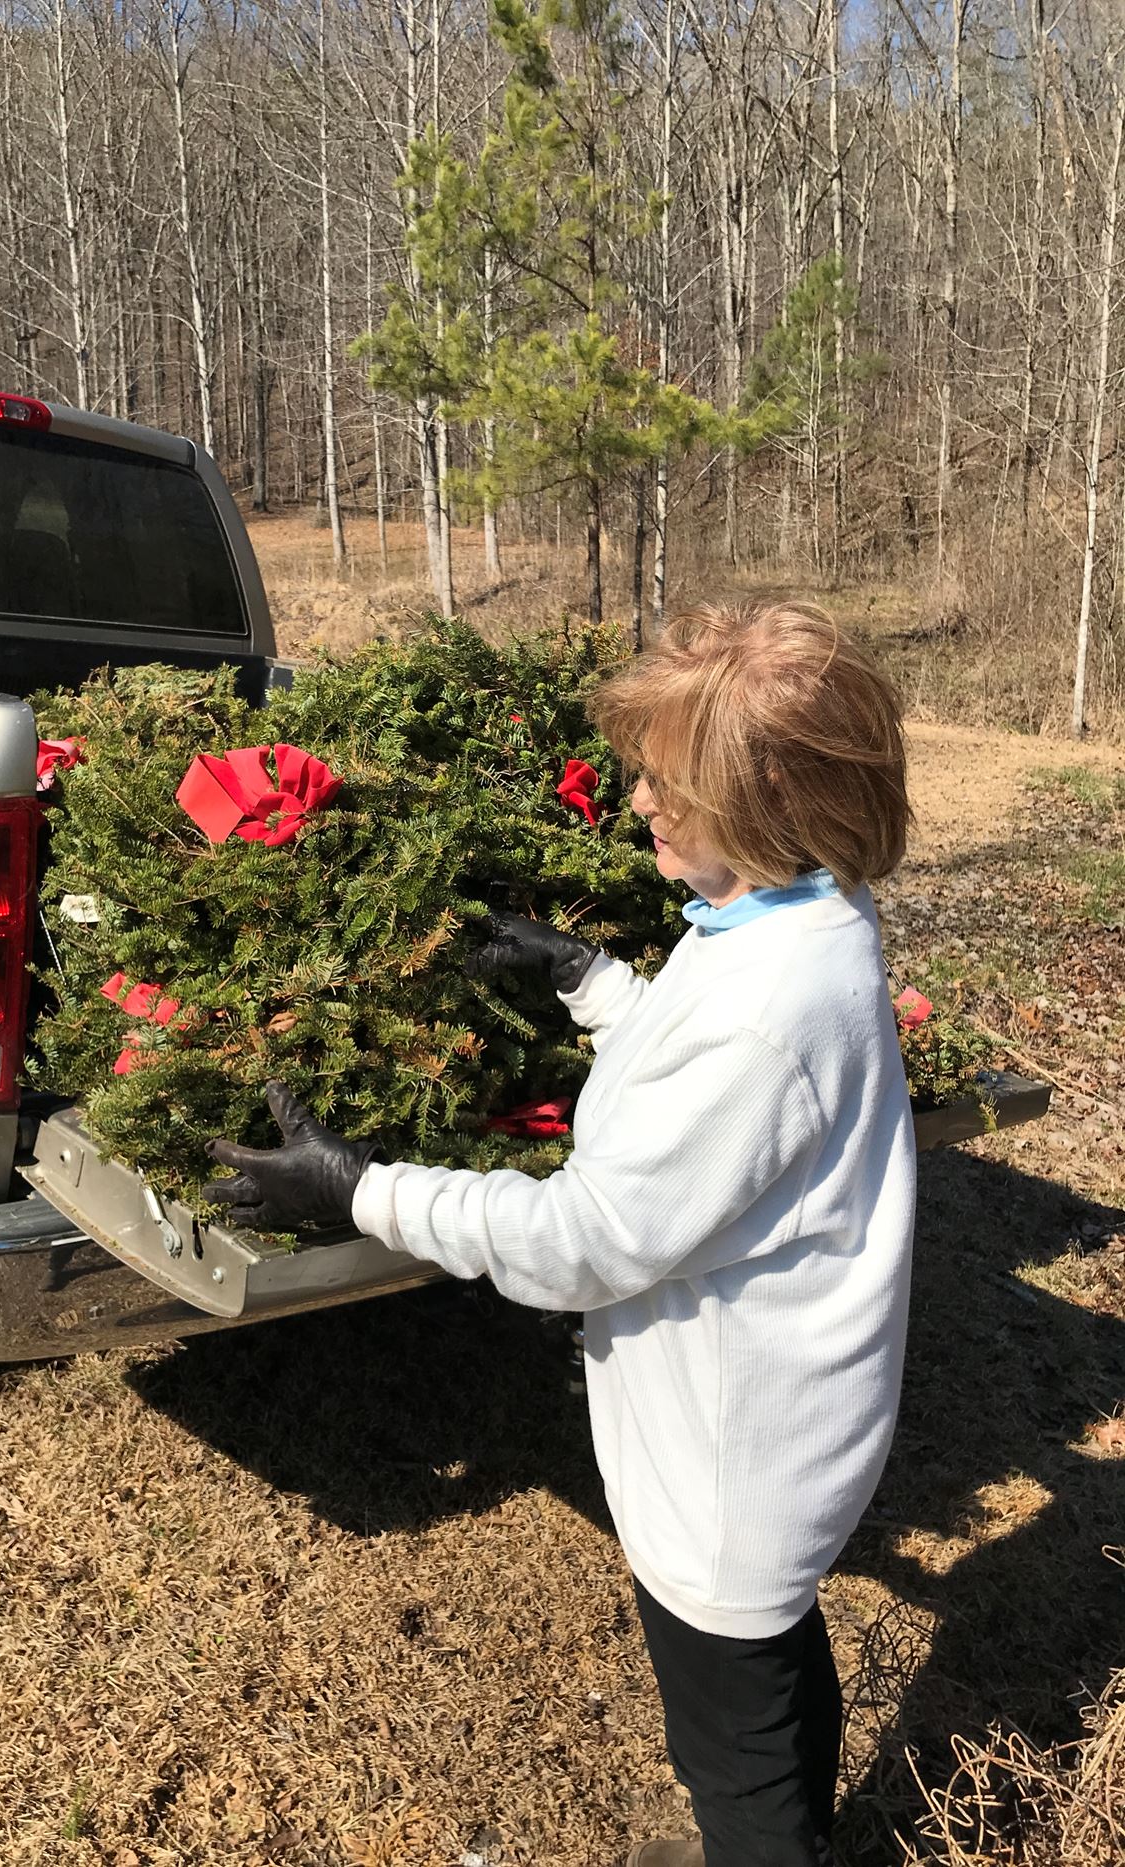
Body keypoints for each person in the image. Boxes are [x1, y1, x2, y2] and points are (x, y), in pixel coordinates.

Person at [208, 598, 917, 1867]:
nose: (640, 800)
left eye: (667, 784)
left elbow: (587, 1237)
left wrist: (359, 1189)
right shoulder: (795, 920)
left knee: (732, 1760)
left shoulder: (771, 1001)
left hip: (730, 1461)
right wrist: (590, 983)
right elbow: (704, 1081)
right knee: (767, 1671)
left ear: (762, 802)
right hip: (775, 1439)